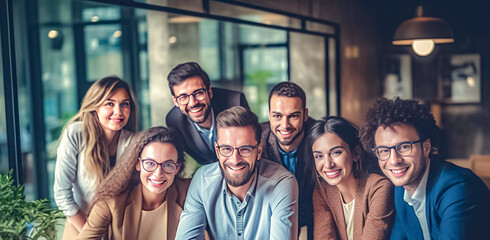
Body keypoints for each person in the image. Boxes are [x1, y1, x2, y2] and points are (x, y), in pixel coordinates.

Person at [360, 98, 490, 239]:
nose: (394, 160)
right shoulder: (400, 191)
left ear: (426, 147)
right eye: (384, 150)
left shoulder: (457, 187)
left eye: (404, 147)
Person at [176, 106, 299, 239]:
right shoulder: (202, 180)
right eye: (226, 149)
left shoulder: (281, 183)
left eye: (245, 149)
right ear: (217, 151)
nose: (235, 160)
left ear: (258, 151)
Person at [54, 76, 137, 239]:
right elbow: (62, 195)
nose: (118, 111)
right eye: (109, 104)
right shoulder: (76, 133)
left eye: (124, 104)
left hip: (120, 230)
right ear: (95, 106)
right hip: (80, 226)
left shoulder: (133, 141)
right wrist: (91, 233)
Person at [78, 127, 190, 240]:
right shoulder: (111, 203)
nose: (158, 173)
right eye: (150, 163)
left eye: (168, 165)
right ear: (138, 163)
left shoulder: (188, 194)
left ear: (177, 168)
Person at [310, 116, 395, 240]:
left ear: (356, 153)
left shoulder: (379, 187)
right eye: (319, 156)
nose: (328, 164)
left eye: (336, 153)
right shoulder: (322, 190)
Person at [165, 62, 249, 165]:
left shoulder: (236, 103)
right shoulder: (174, 121)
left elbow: (249, 145)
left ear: (209, 92)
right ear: (175, 101)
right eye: (183, 97)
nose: (192, 103)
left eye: (198, 93)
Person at [260, 81, 316, 238]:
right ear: (269, 114)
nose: (285, 125)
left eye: (293, 116)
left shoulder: (320, 138)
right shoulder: (256, 139)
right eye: (277, 116)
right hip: (272, 213)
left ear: (305, 115)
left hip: (317, 210)